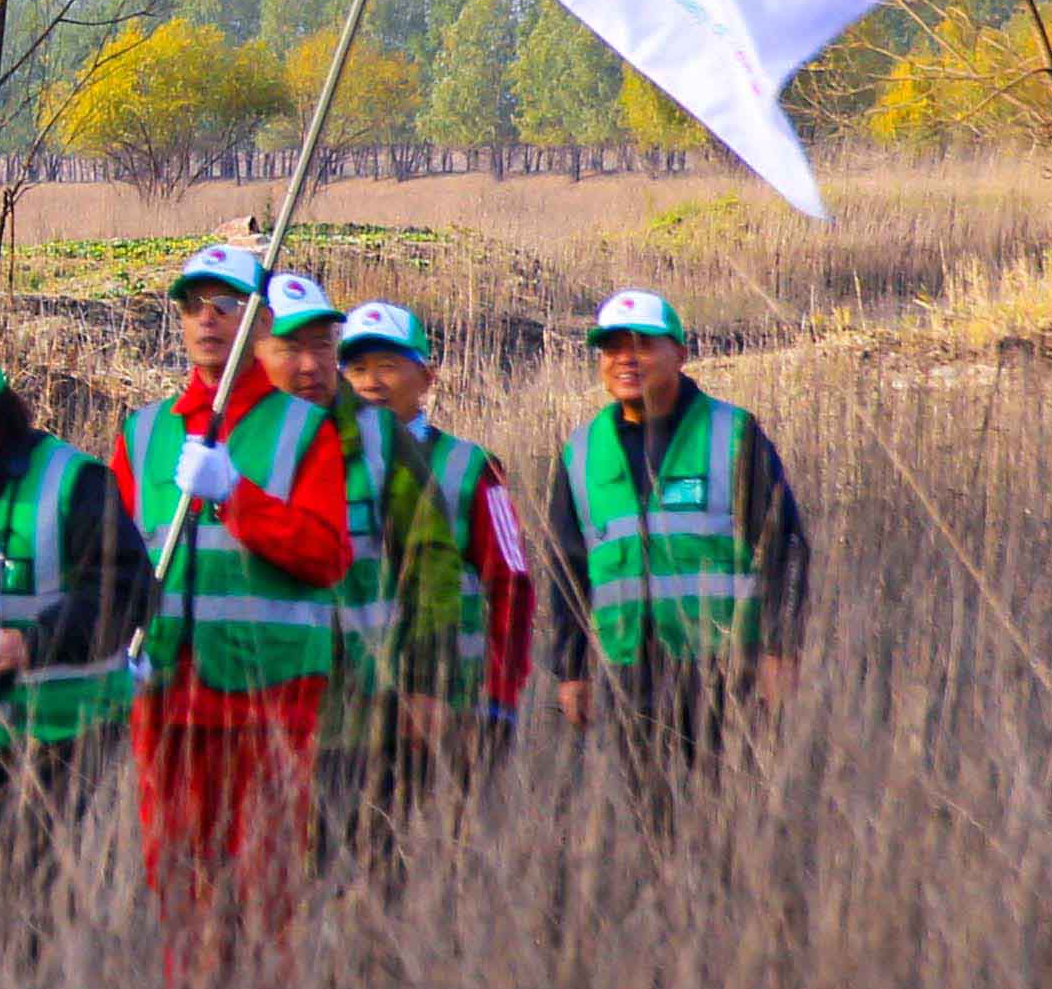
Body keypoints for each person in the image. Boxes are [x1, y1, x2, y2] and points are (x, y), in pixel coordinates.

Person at [109, 244, 359, 988]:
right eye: (194, 304)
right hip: (167, 692)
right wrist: (115, 641)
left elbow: (327, 555)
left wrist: (236, 496)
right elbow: (119, 560)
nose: (208, 319)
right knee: (175, 883)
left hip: (269, 690)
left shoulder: (302, 430)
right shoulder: (144, 432)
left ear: (260, 321)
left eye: (226, 304)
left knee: (266, 885)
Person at [0, 337, 151, 898]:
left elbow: (126, 590)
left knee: (39, 891)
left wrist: (33, 643)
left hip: (70, 726)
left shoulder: (75, 482)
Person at [537, 289, 811, 781]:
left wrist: (780, 648)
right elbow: (568, 569)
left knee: (730, 817)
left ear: (680, 354)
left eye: (642, 345)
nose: (624, 359)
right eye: (612, 347)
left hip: (726, 669)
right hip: (629, 672)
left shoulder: (733, 433)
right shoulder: (580, 452)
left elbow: (784, 548)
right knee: (651, 824)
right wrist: (571, 669)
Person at [263, 269, 458, 850]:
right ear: (254, 352)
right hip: (252, 713)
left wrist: (426, 682)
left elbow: (431, 563)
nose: (310, 365)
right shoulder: (226, 441)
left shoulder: (379, 437)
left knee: (364, 879)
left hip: (363, 716)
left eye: (323, 345)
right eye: (290, 348)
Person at [336, 299, 529, 794]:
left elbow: (511, 583)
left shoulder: (470, 468)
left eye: (388, 366)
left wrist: (496, 701)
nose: (370, 383)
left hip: (450, 706)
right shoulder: (328, 460)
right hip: (350, 713)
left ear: (428, 377)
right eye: (356, 368)